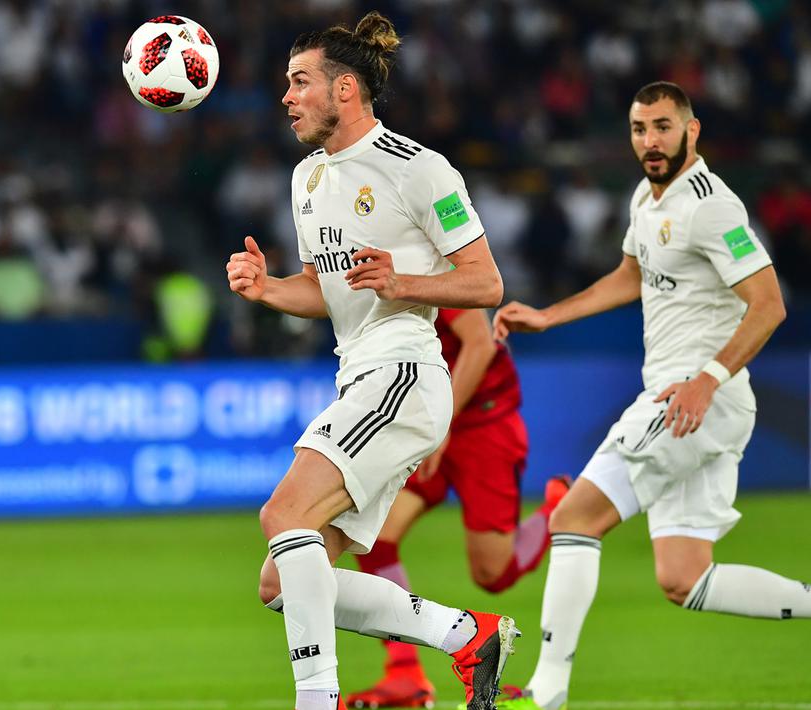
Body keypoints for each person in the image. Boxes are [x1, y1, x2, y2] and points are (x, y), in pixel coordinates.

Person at [227, 12, 519, 710]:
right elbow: (327, 291)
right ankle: (465, 634)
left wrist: (406, 283)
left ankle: (315, 701)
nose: (287, 96)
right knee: (281, 583)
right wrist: (268, 289)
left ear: (346, 89)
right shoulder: (307, 179)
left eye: (300, 82)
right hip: (358, 373)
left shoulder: (417, 169)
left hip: (404, 375)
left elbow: (486, 283)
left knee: (283, 515)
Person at [492, 82, 807, 710]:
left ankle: (548, 688)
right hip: (694, 404)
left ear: (693, 130)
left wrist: (706, 379)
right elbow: (631, 275)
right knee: (684, 577)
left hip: (693, 399)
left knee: (573, 518)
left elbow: (769, 304)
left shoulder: (712, 206)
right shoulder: (647, 196)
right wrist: (550, 316)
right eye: (640, 129)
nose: (650, 141)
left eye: (663, 127)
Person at [345, 307, 571, 709]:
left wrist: (443, 424)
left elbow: (480, 343)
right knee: (373, 535)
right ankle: (405, 674)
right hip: (424, 416)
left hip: (482, 422)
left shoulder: (438, 257)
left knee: (492, 574)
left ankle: (559, 512)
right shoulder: (377, 255)